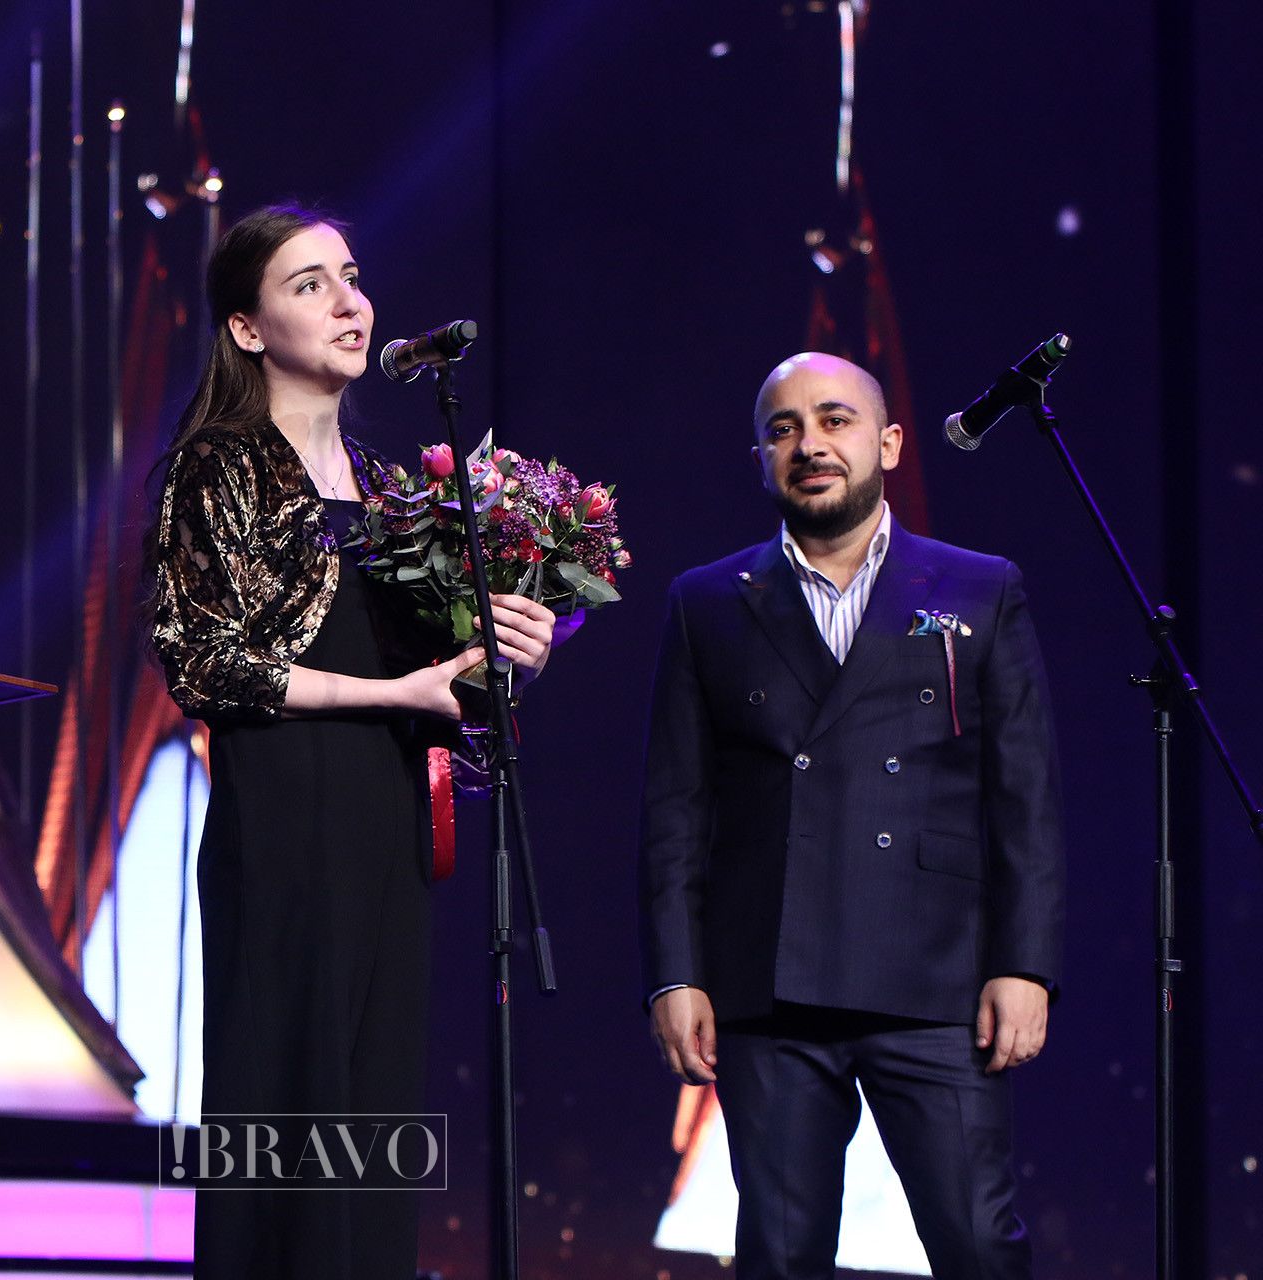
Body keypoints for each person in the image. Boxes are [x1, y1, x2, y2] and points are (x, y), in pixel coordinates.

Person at [149, 204, 562, 1279]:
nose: (348, 302)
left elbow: (440, 692)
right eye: (309, 284)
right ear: (247, 328)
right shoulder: (221, 466)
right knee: (283, 1103)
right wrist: (390, 688)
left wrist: (509, 656)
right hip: (284, 823)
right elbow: (204, 662)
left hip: (387, 824)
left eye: (350, 275)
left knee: (373, 1113)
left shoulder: (390, 489)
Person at [636, 352, 1065, 1279]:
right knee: (782, 1255)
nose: (811, 444)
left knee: (979, 1244)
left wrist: (1024, 964)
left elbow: (1024, 799)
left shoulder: (980, 588)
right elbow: (675, 810)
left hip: (939, 979)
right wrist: (675, 975)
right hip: (769, 982)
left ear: (889, 442)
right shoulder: (707, 601)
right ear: (760, 457)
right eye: (784, 429)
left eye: (835, 420)